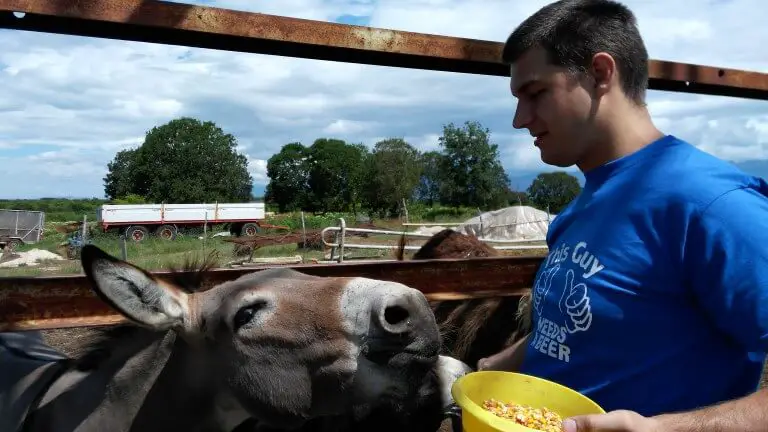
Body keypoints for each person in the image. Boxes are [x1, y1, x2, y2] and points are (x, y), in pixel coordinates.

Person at [476, 0, 768, 431]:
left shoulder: (713, 205)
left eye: (535, 94)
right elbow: (578, 331)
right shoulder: (578, 210)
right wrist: (500, 363)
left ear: (600, 73)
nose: (521, 119)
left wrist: (660, 429)